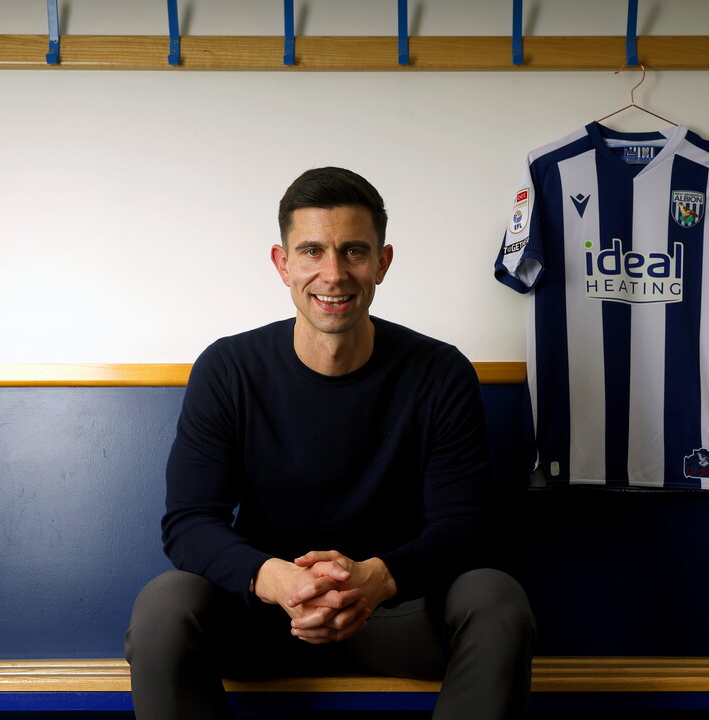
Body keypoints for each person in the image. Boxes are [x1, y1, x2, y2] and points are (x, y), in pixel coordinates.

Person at [125, 167, 535, 719]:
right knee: (163, 605)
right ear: (283, 263)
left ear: (382, 263)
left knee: (496, 599)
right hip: (267, 619)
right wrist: (279, 579)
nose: (334, 274)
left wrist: (376, 579)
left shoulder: (439, 371)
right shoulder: (228, 369)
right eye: (312, 251)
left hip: (397, 613)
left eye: (354, 252)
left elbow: (465, 524)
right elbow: (190, 522)